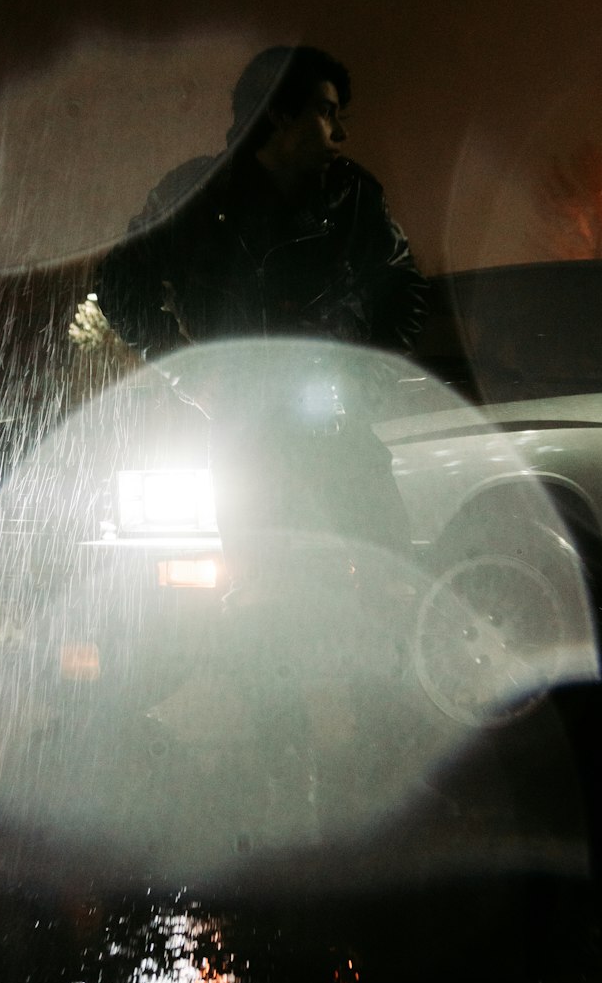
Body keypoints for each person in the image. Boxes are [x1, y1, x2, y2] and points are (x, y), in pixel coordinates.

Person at [98, 45, 430, 590]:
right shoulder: (195, 195)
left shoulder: (352, 194)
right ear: (278, 113)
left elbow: (406, 286)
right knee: (268, 600)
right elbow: (118, 281)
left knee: (389, 585)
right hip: (247, 440)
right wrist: (188, 371)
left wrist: (368, 378)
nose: (339, 132)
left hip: (342, 435)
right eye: (325, 111)